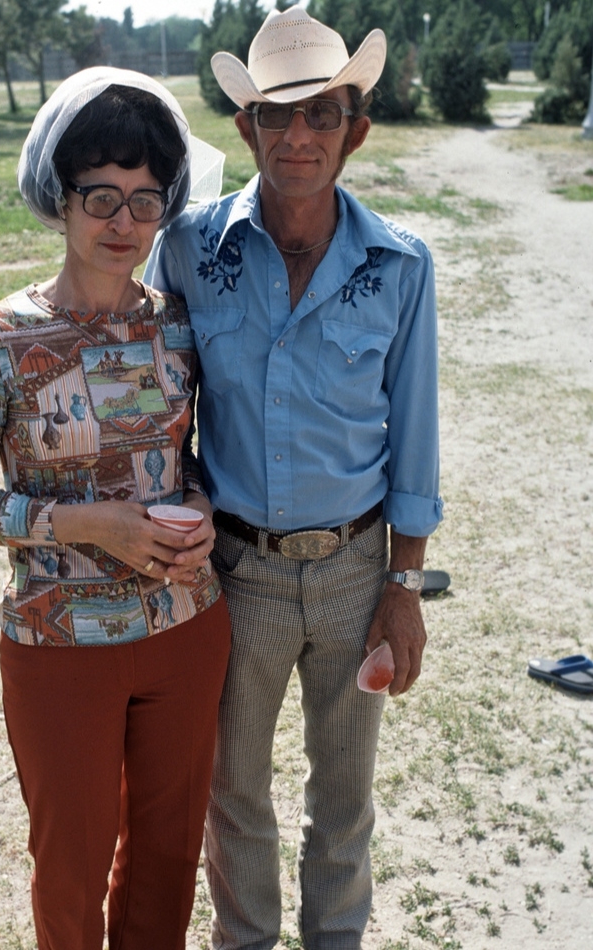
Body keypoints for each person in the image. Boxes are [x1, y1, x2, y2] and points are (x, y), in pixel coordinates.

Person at [144, 8, 443, 949]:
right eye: (279, 117)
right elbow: (155, 397)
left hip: (358, 572)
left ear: (355, 127)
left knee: (344, 798)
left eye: (326, 113)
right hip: (234, 572)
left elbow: (418, 438)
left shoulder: (400, 265)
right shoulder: (191, 250)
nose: (301, 136)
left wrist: (404, 586)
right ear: (248, 130)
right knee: (233, 793)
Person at [0, 67, 230, 950]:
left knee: (170, 857)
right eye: (101, 195)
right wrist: (91, 525)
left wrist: (203, 505)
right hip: (59, 645)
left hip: (186, 627)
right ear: (57, 199)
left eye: (145, 200)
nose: (124, 223)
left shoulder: (178, 325)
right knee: (71, 867)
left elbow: (190, 457)